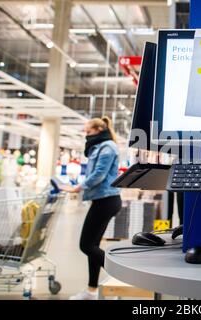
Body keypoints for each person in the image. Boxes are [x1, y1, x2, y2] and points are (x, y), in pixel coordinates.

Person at [60, 116, 122, 300]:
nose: (86, 135)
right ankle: (92, 291)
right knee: (92, 246)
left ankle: (121, 274)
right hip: (102, 200)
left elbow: (99, 175)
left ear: (99, 130)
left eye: (88, 132)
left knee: (86, 245)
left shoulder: (108, 147)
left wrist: (77, 187)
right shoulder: (100, 147)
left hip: (107, 200)